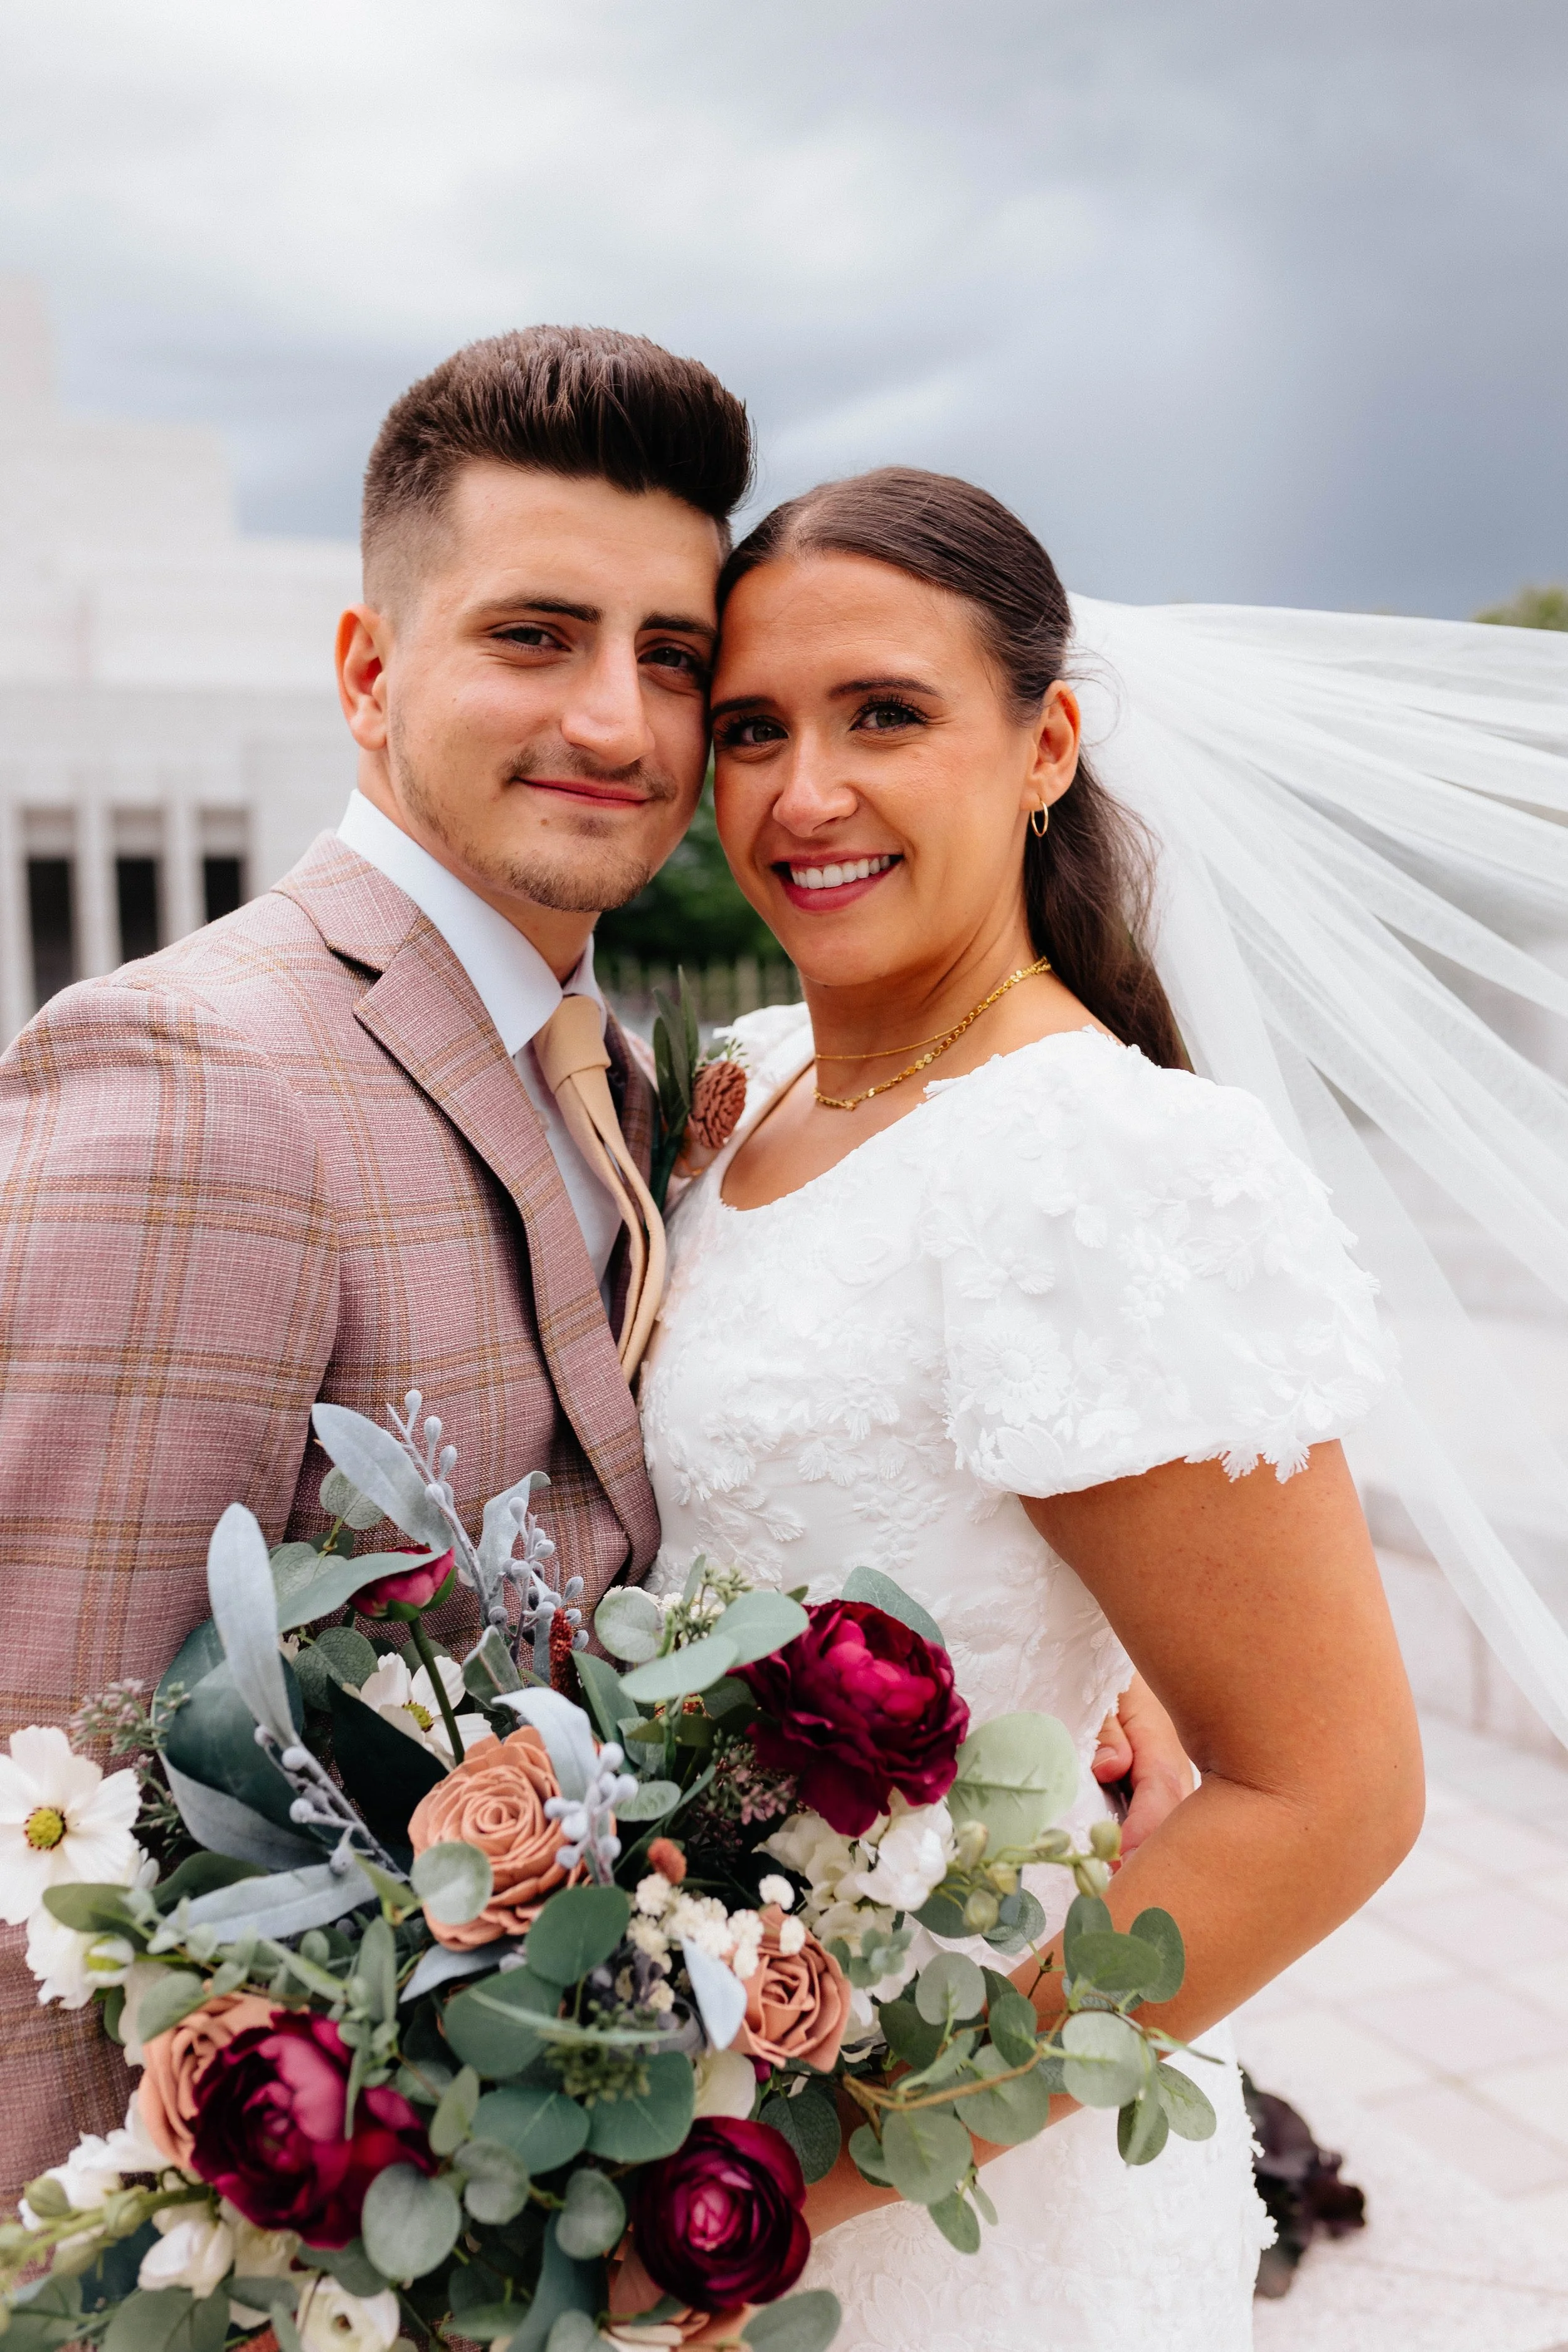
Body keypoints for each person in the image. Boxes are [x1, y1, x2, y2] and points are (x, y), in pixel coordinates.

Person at [0, 337, 1187, 2196]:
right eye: (534, 637)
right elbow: (35, 1809)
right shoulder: (196, 1080)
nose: (620, 727)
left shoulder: (621, 1065)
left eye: (672, 660)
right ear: (369, 673)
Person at [637, 467, 1426, 2349]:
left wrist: (809, 2169)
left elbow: (1332, 1794)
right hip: (686, 2054)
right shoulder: (743, 1085)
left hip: (937, 2178)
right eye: (749, 729)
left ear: (1043, 741)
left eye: (883, 714)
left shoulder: (1105, 1157)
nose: (800, 794)